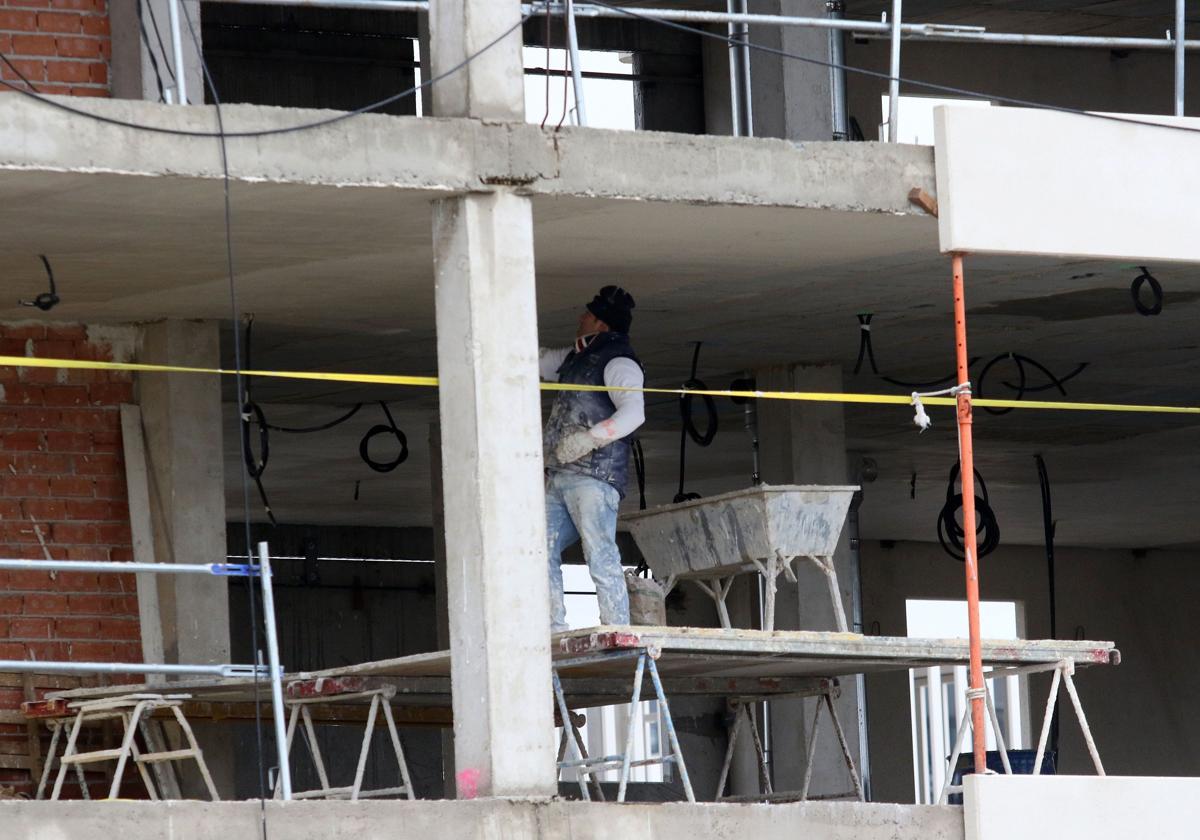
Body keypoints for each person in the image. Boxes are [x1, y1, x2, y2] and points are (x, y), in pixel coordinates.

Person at [540, 286, 644, 633]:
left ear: (600, 325)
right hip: (561, 475)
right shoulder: (576, 358)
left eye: (588, 314)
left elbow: (634, 413)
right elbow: (535, 359)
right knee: (538, 549)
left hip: (594, 477)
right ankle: (552, 627)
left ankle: (617, 628)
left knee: (599, 551)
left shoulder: (619, 362)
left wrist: (588, 439)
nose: (580, 317)